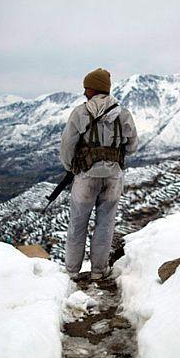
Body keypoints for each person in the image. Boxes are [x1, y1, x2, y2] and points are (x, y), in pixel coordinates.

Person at [59, 68, 138, 280]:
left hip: (86, 177)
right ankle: (98, 271)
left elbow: (67, 145)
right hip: (113, 177)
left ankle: (72, 272)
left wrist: (70, 167)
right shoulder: (123, 114)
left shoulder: (80, 113)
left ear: (93, 89)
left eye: (86, 87)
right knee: (105, 225)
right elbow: (132, 147)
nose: (84, 91)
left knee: (77, 224)